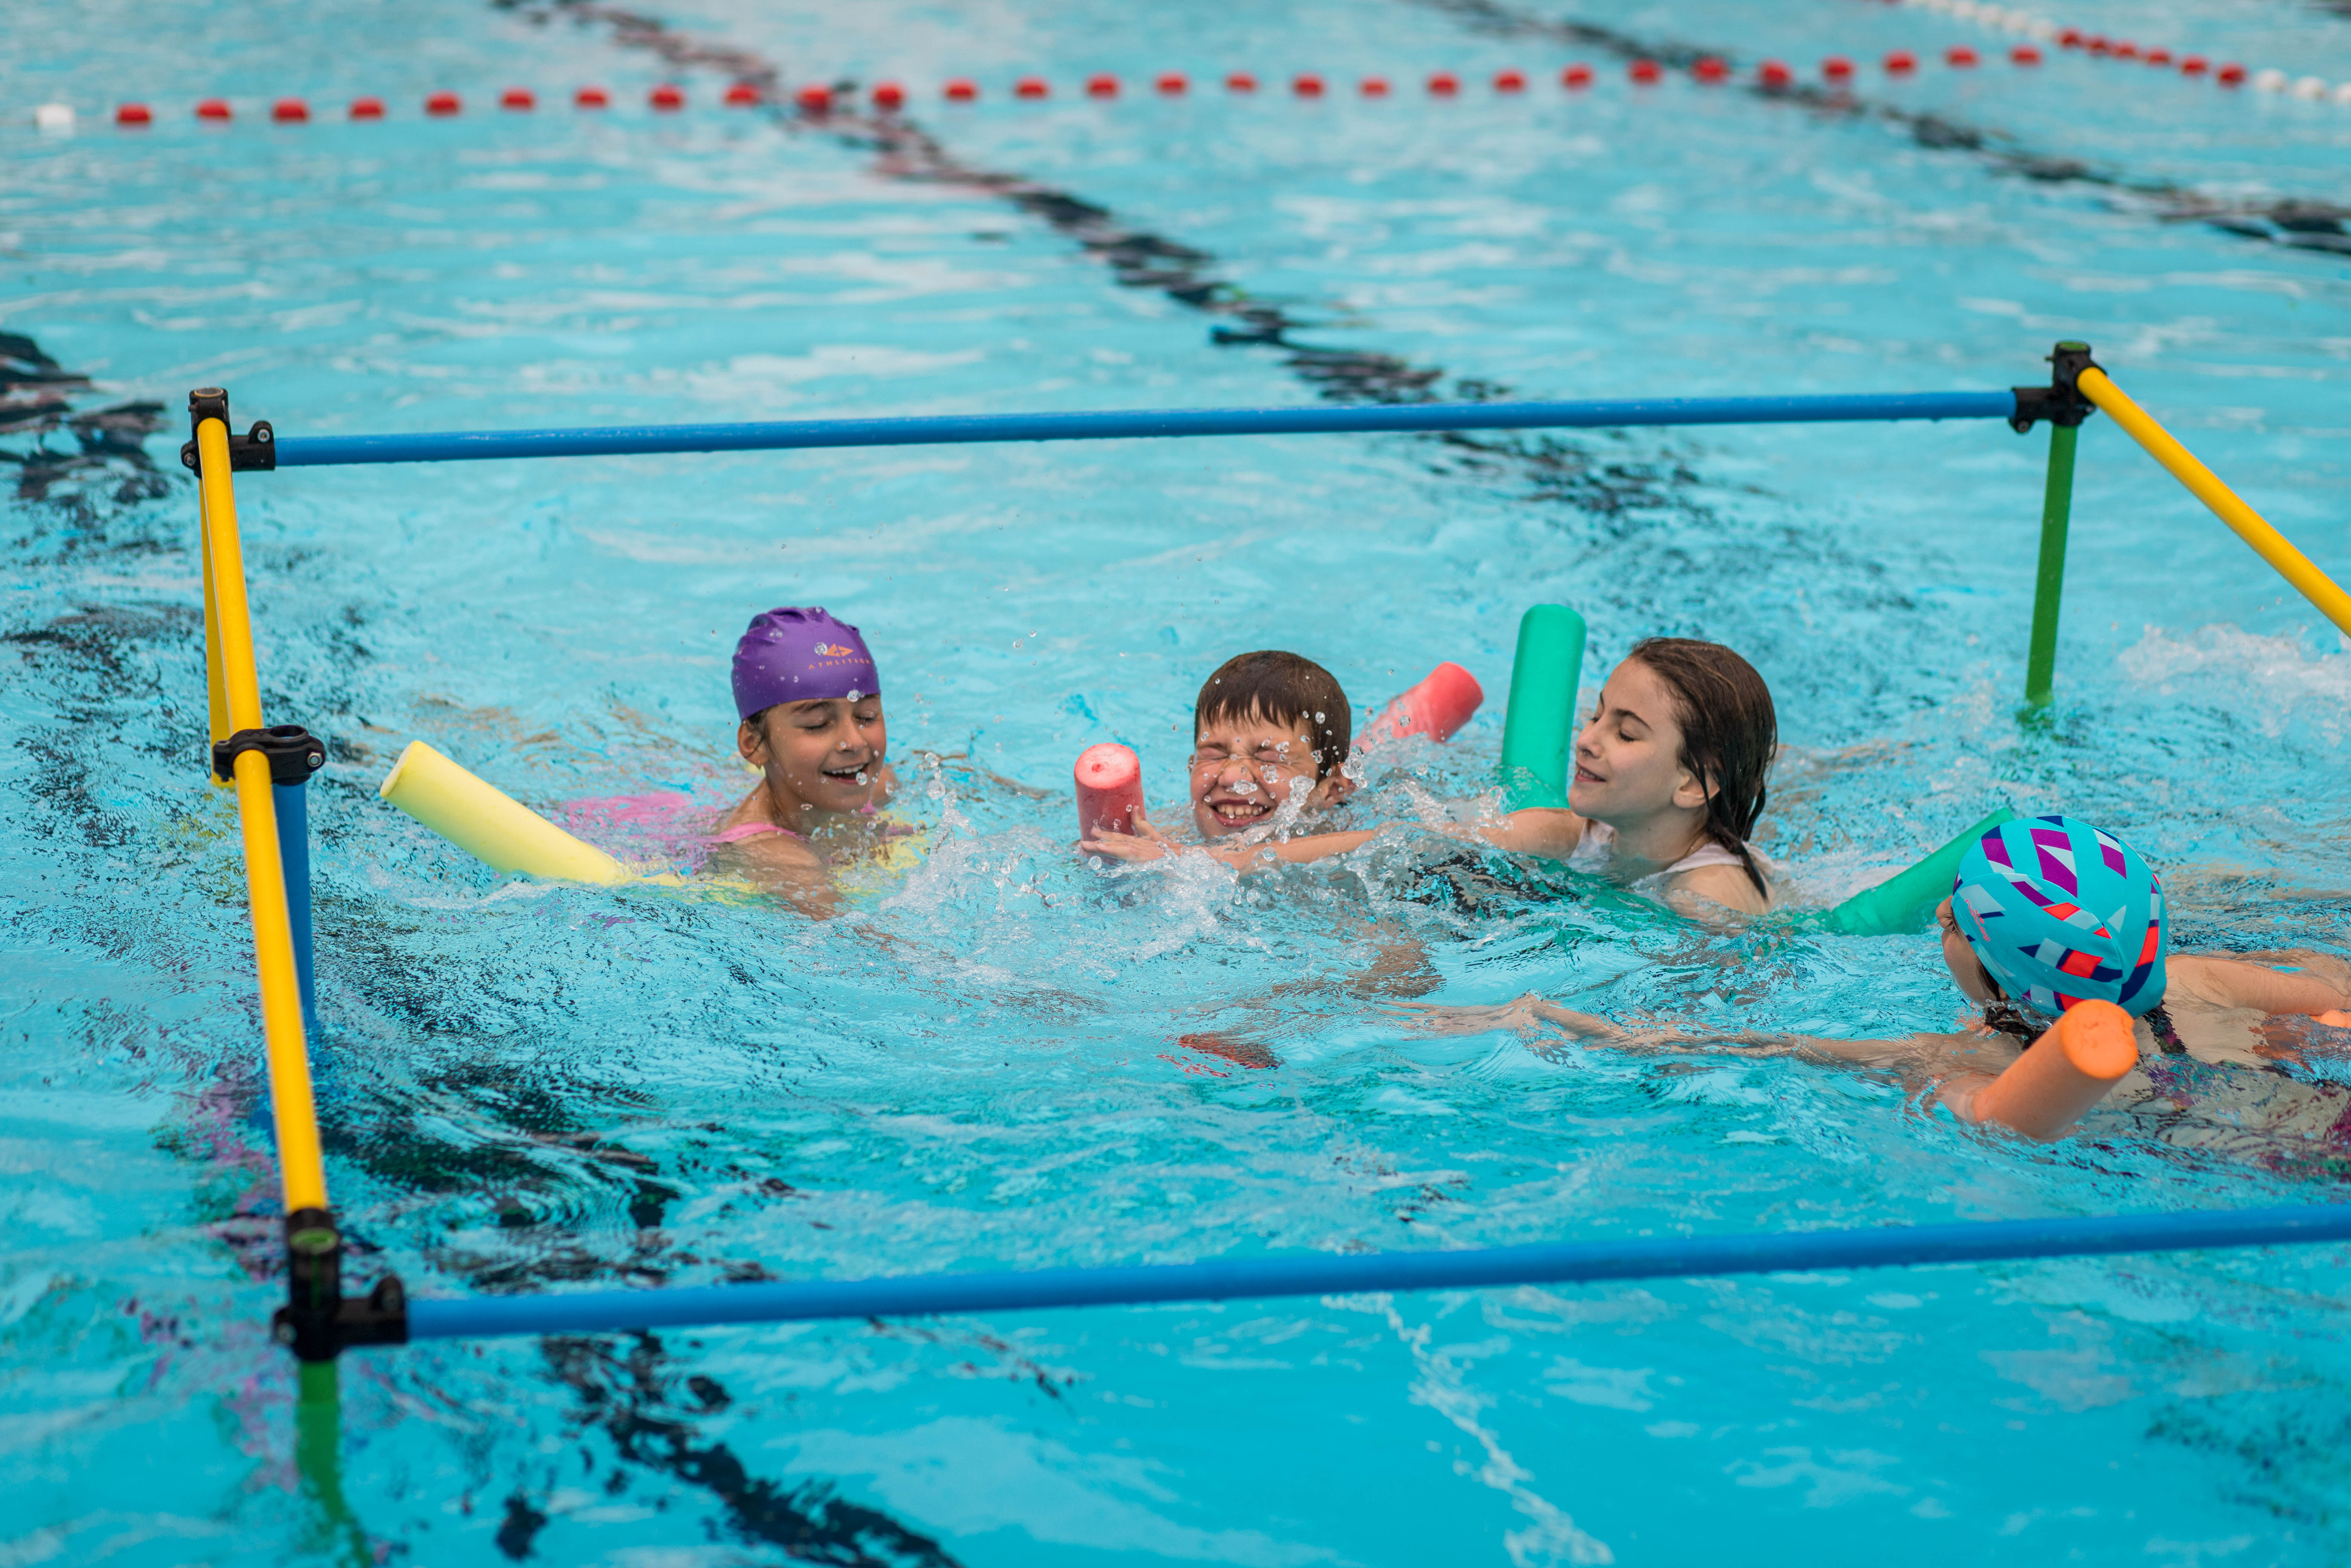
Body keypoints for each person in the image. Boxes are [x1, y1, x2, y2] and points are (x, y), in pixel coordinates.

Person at [1400, 815, 2351, 1140]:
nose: (1940, 927)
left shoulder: (1965, 1061)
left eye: (1951, 922)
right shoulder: (2208, 981)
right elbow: (2330, 983)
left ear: (1995, 970)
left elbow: (1762, 1047)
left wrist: (1554, 1019)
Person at [1087, 635, 1779, 920]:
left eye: (1624, 733)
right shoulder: (1567, 833)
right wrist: (1224, 863)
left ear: (1693, 784)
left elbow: (1714, 1041)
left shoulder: (1709, 902)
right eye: (1594, 716)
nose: (1585, 741)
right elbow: (1395, 838)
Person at [1082, 649, 1361, 855]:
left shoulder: (1356, 851)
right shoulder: (1167, 840)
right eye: (1213, 755)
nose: (1231, 777)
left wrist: (1220, 861)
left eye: (1270, 759)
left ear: (1334, 788)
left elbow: (1390, 838)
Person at [712, 606, 911, 894]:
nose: (854, 742)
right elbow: (854, 937)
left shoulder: (880, 787)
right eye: (818, 724)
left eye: (866, 716)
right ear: (754, 744)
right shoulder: (776, 856)